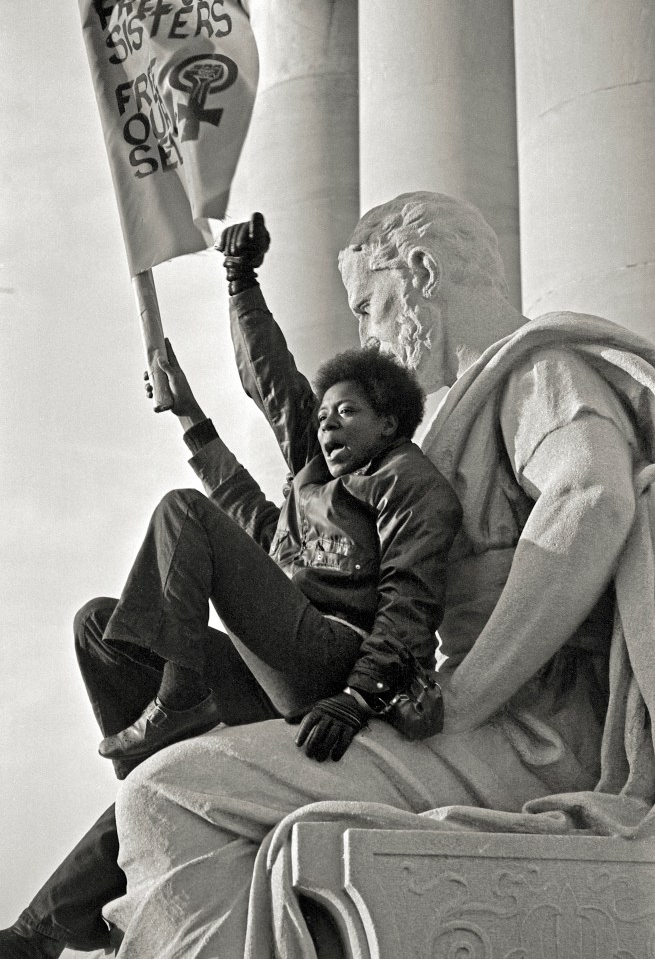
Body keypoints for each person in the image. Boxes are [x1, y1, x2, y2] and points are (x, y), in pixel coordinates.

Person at [93, 192, 655, 959]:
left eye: (368, 307)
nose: (369, 336)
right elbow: (280, 408)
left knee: (174, 794)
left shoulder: (536, 371)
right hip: (474, 714)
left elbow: (590, 495)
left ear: (421, 271)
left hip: (533, 730)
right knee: (166, 776)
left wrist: (462, 696)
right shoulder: (442, 421)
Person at [0, 213, 461, 959]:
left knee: (184, 515)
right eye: (327, 416)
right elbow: (267, 398)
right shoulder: (303, 499)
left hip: (334, 662)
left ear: (389, 423)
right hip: (272, 664)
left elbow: (412, 603)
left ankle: (178, 698)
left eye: (349, 413)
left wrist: (359, 694)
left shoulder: (405, 481)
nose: (329, 426)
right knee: (98, 624)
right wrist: (227, 308)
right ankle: (42, 930)